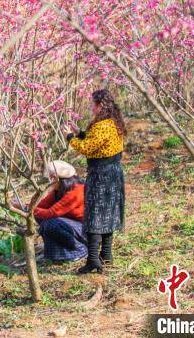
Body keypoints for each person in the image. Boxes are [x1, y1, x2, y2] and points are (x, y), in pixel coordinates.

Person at [66, 89, 127, 274]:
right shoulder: (113, 122)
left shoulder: (103, 125)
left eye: (92, 103)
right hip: (114, 173)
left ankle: (93, 260)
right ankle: (106, 255)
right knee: (108, 214)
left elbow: (88, 148)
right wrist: (81, 133)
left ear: (100, 105)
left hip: (101, 175)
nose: (90, 106)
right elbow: (98, 143)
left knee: (94, 216)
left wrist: (71, 137)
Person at [31, 160, 87, 263]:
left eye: (51, 178)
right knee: (41, 217)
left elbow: (51, 213)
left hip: (84, 229)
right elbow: (40, 206)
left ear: (55, 178)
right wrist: (26, 207)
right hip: (70, 225)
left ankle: (80, 249)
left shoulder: (76, 191)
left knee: (51, 223)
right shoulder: (59, 189)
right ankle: (60, 252)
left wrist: (28, 209)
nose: (49, 181)